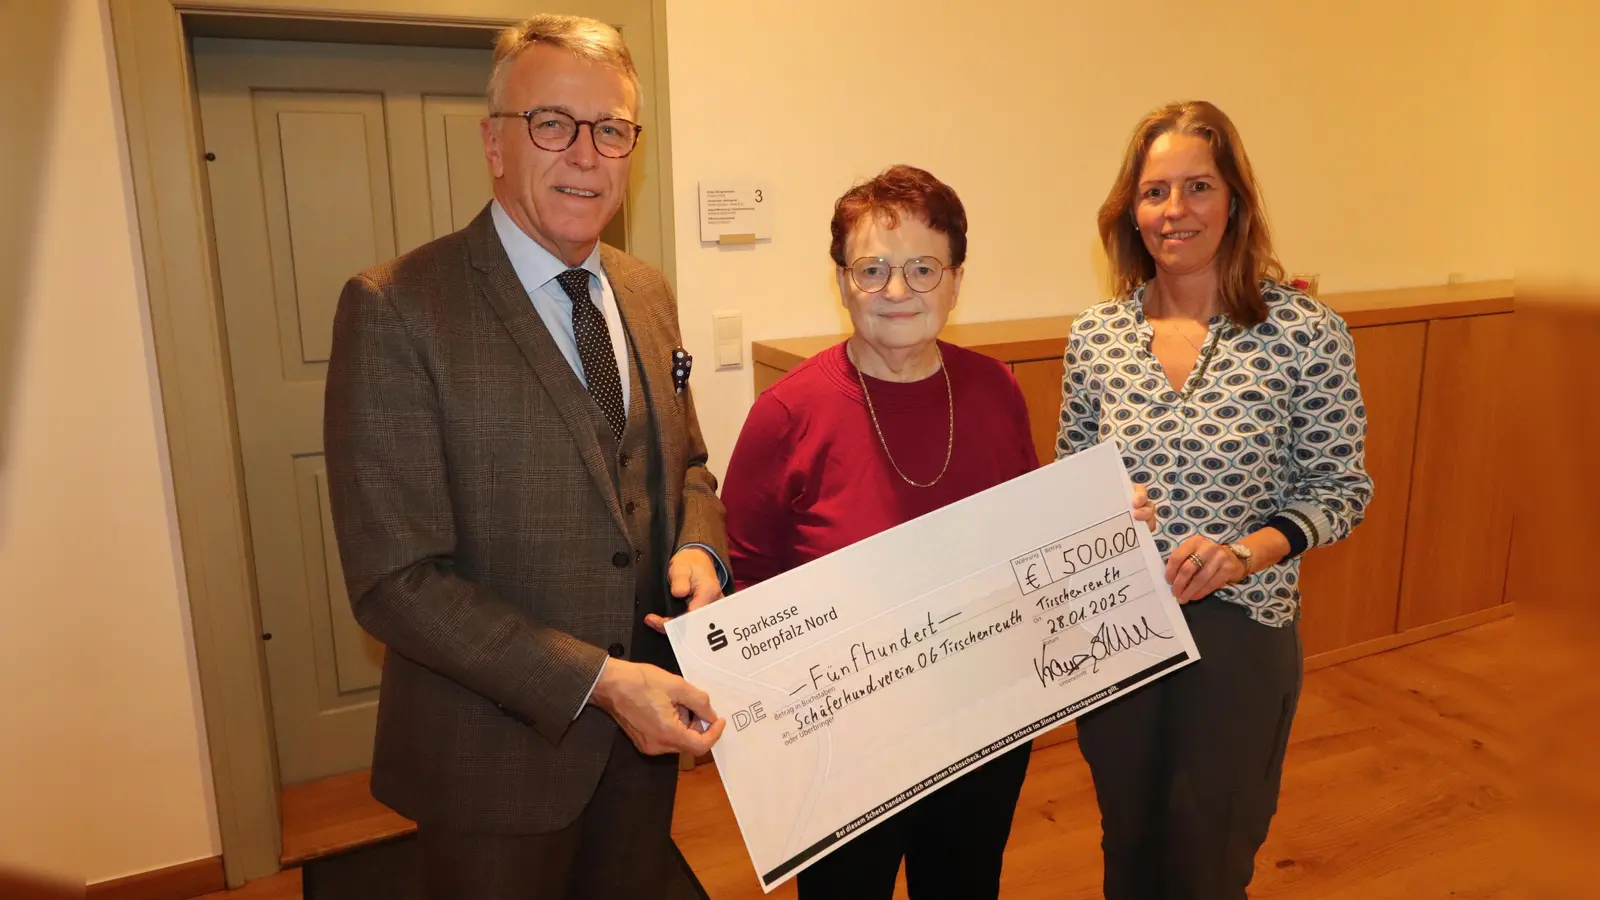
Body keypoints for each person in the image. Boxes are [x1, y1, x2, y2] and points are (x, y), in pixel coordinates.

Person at [322, 14, 731, 899]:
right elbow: (394, 581)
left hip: (640, 748)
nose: (587, 153)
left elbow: (687, 464)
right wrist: (596, 680)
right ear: (495, 143)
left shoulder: (646, 291)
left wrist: (701, 546)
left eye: (612, 129)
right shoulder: (397, 308)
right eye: (553, 123)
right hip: (490, 764)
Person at [720, 164, 1155, 900]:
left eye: (923, 268)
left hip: (983, 718)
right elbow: (746, 583)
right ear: (841, 279)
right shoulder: (786, 415)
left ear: (956, 280)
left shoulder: (994, 388)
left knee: (964, 884)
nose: (897, 292)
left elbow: (1022, 539)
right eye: (872, 268)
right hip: (844, 747)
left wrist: (1100, 525)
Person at [1056, 99, 1374, 899]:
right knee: (1128, 844)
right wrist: (1097, 506)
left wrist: (1243, 554)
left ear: (1234, 199)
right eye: (1155, 192)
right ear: (1130, 212)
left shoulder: (1304, 331)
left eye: (1197, 186)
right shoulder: (1095, 335)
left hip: (1242, 627)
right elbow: (1068, 480)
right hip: (1119, 625)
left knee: (1211, 851)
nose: (1175, 211)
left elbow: (1342, 488)